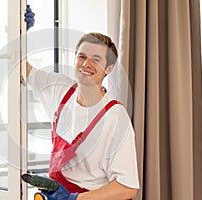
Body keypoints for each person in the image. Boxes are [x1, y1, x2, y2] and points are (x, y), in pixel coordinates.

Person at [25, 6, 139, 200]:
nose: (86, 64)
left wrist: (76, 198)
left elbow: (127, 187)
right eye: (82, 57)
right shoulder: (60, 89)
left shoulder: (115, 117)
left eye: (96, 59)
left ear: (109, 69)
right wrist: (19, 30)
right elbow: (20, 68)